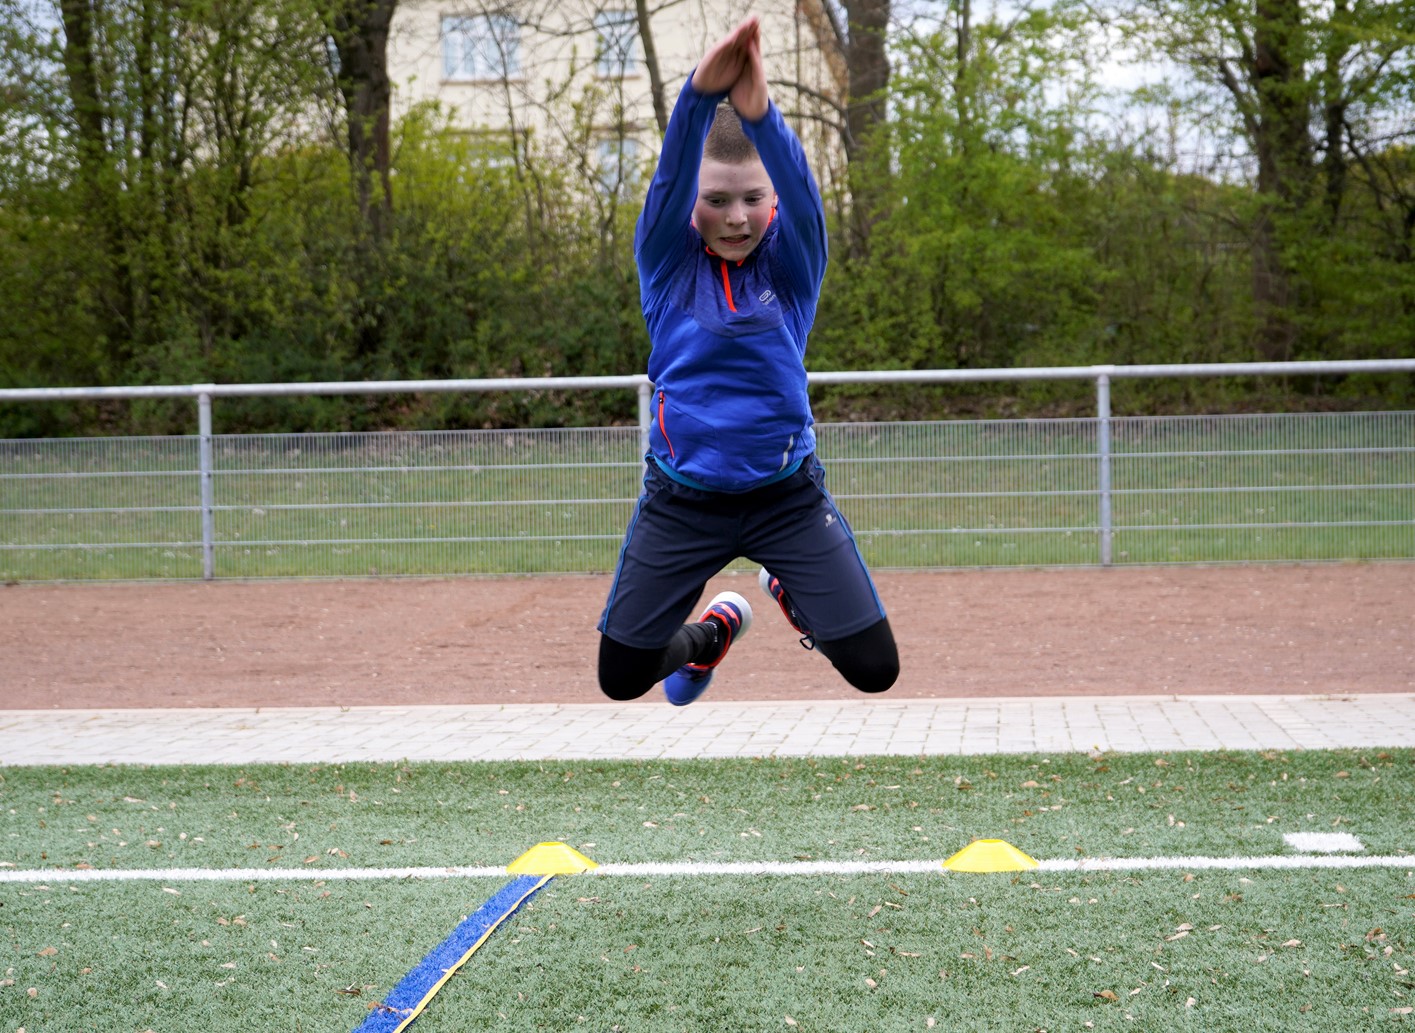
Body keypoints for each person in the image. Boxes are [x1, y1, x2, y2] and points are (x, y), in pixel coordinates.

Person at [596, 17, 899, 706]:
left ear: (774, 201)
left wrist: (760, 113)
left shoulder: (791, 268)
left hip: (785, 497)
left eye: (752, 198)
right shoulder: (667, 265)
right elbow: (670, 177)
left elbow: (802, 190)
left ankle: (789, 588)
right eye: (716, 200)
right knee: (621, 677)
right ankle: (711, 636)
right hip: (682, 501)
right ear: (690, 205)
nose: (736, 216)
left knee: (874, 667)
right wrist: (698, 95)